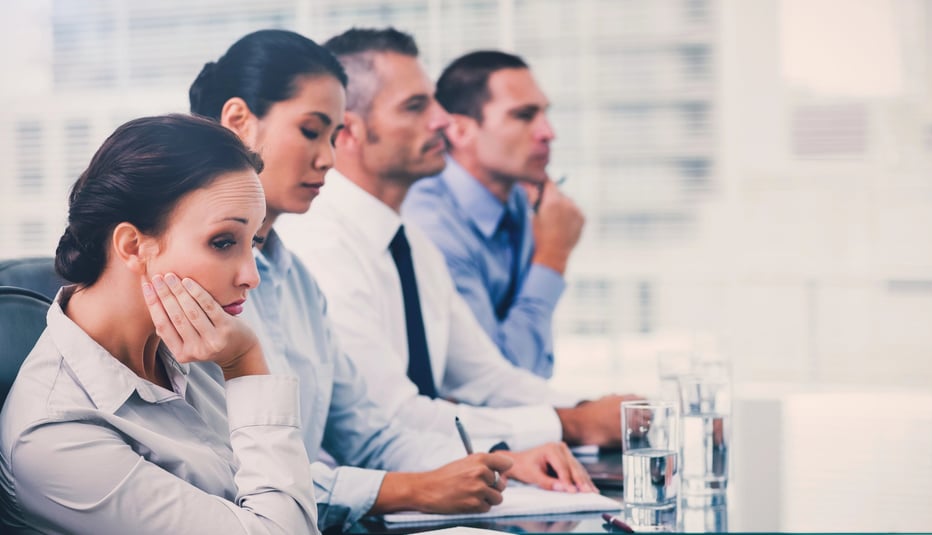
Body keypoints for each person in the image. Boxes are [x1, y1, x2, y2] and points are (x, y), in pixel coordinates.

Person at [190, 29, 595, 532]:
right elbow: (225, 475)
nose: (328, 159)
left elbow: (370, 434)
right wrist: (413, 488)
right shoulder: (191, 281)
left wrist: (501, 457)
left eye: (332, 136)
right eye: (312, 132)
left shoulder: (297, 280)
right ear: (239, 122)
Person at [277, 28, 628, 459]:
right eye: (415, 106)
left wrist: (599, 410)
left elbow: (487, 377)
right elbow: (390, 418)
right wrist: (570, 424)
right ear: (347, 132)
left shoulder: (412, 243)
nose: (443, 120)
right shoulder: (319, 243)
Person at [0, 114, 318, 533]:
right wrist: (245, 364)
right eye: (223, 242)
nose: (251, 276)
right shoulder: (54, 434)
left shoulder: (195, 342)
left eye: (253, 242)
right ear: (133, 246)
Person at [403, 50, 584, 379]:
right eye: (524, 116)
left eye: (544, 114)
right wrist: (553, 256)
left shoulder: (520, 199)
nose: (548, 132)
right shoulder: (431, 225)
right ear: (459, 131)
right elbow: (498, 378)